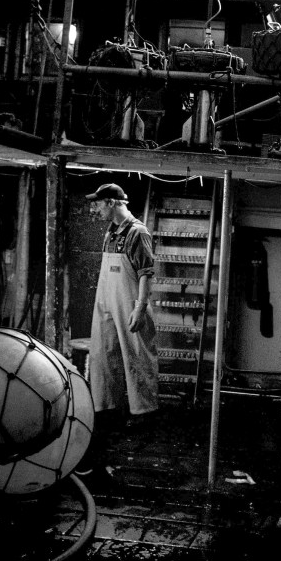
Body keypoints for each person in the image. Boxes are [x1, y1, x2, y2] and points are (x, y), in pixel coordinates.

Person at [85, 182, 158, 424]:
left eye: (98, 204)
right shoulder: (111, 231)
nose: (96, 209)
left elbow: (146, 273)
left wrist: (140, 308)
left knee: (135, 354)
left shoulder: (138, 232)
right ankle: (106, 406)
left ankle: (143, 411)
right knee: (103, 353)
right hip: (106, 300)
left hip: (129, 301)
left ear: (112, 202)